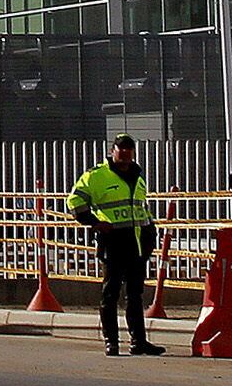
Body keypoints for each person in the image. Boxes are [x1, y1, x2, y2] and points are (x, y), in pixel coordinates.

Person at [68, 133, 165, 357]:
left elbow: (141, 209)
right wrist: (94, 223)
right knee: (110, 293)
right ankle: (111, 341)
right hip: (113, 242)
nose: (124, 156)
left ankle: (138, 341)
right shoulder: (96, 176)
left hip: (137, 243)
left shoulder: (137, 176)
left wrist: (150, 232)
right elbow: (74, 201)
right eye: (121, 151)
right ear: (113, 151)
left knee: (135, 293)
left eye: (128, 152)